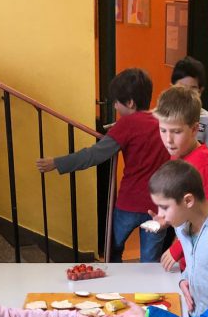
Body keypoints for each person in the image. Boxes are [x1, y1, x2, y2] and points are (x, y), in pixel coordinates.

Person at [36, 68, 168, 262]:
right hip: (159, 206)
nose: (114, 107)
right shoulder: (163, 123)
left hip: (129, 203)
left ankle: (113, 290)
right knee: (150, 261)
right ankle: (146, 291)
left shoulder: (126, 124)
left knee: (112, 250)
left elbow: (94, 155)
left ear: (130, 103)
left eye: (116, 102)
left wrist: (57, 162)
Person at [153, 86, 208, 272]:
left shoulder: (204, 164)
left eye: (176, 132)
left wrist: (176, 249)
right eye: (163, 130)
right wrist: (168, 218)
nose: (168, 139)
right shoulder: (177, 155)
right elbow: (189, 209)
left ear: (194, 129)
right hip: (190, 263)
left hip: (206, 265)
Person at [146, 159, 208, 315]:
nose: (160, 214)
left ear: (188, 201)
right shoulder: (182, 226)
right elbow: (196, 264)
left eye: (164, 207)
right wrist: (184, 279)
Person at [170, 56, 208, 152]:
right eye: (181, 88)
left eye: (193, 89)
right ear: (172, 88)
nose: (187, 94)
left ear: (200, 91)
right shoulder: (163, 116)